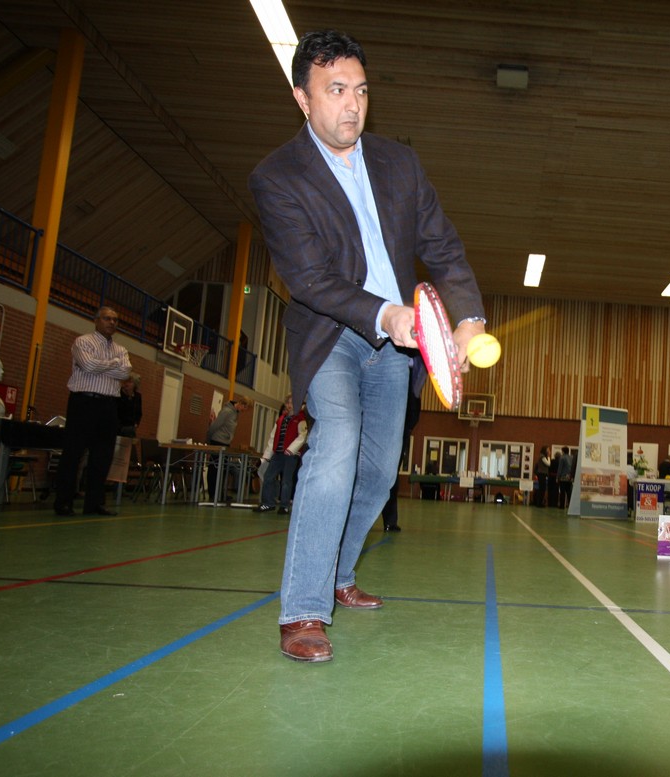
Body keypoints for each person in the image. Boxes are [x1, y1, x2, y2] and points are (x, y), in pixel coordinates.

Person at [249, 30, 485, 663]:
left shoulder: (399, 163)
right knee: (337, 446)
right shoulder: (277, 178)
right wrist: (387, 313)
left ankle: (340, 572)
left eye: (359, 90)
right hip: (333, 335)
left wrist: (468, 318)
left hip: (399, 349)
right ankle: (303, 610)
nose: (351, 104)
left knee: (380, 472)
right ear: (303, 99)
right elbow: (310, 280)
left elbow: (443, 246)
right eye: (335, 91)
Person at [54, 307, 131, 517]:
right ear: (96, 320)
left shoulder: (121, 349)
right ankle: (63, 502)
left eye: (115, 320)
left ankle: (94, 503)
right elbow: (87, 365)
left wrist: (103, 366)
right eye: (107, 318)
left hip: (109, 406)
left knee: (103, 455)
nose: (112, 322)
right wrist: (113, 365)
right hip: (83, 402)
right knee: (73, 453)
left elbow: (125, 372)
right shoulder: (83, 342)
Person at [255, 395, 308, 514]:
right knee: (268, 477)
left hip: (291, 456)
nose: (289, 405)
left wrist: (291, 450)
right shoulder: (280, 420)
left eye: (292, 403)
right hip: (277, 454)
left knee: (286, 481)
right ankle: (268, 503)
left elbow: (302, 436)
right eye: (288, 403)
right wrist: (266, 456)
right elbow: (272, 438)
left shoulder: (300, 419)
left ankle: (284, 505)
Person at [380, 382, 421, 531]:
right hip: (382, 424)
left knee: (392, 475)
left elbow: (414, 407)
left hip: (401, 430)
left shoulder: (413, 382)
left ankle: (390, 521)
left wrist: (408, 428)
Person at [205, 395, 251, 502]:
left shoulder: (235, 413)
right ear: (241, 404)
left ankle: (220, 493)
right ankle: (213, 493)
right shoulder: (227, 411)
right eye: (245, 408)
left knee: (223, 469)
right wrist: (208, 440)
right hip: (217, 442)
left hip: (225, 443)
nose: (244, 411)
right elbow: (215, 426)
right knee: (215, 469)